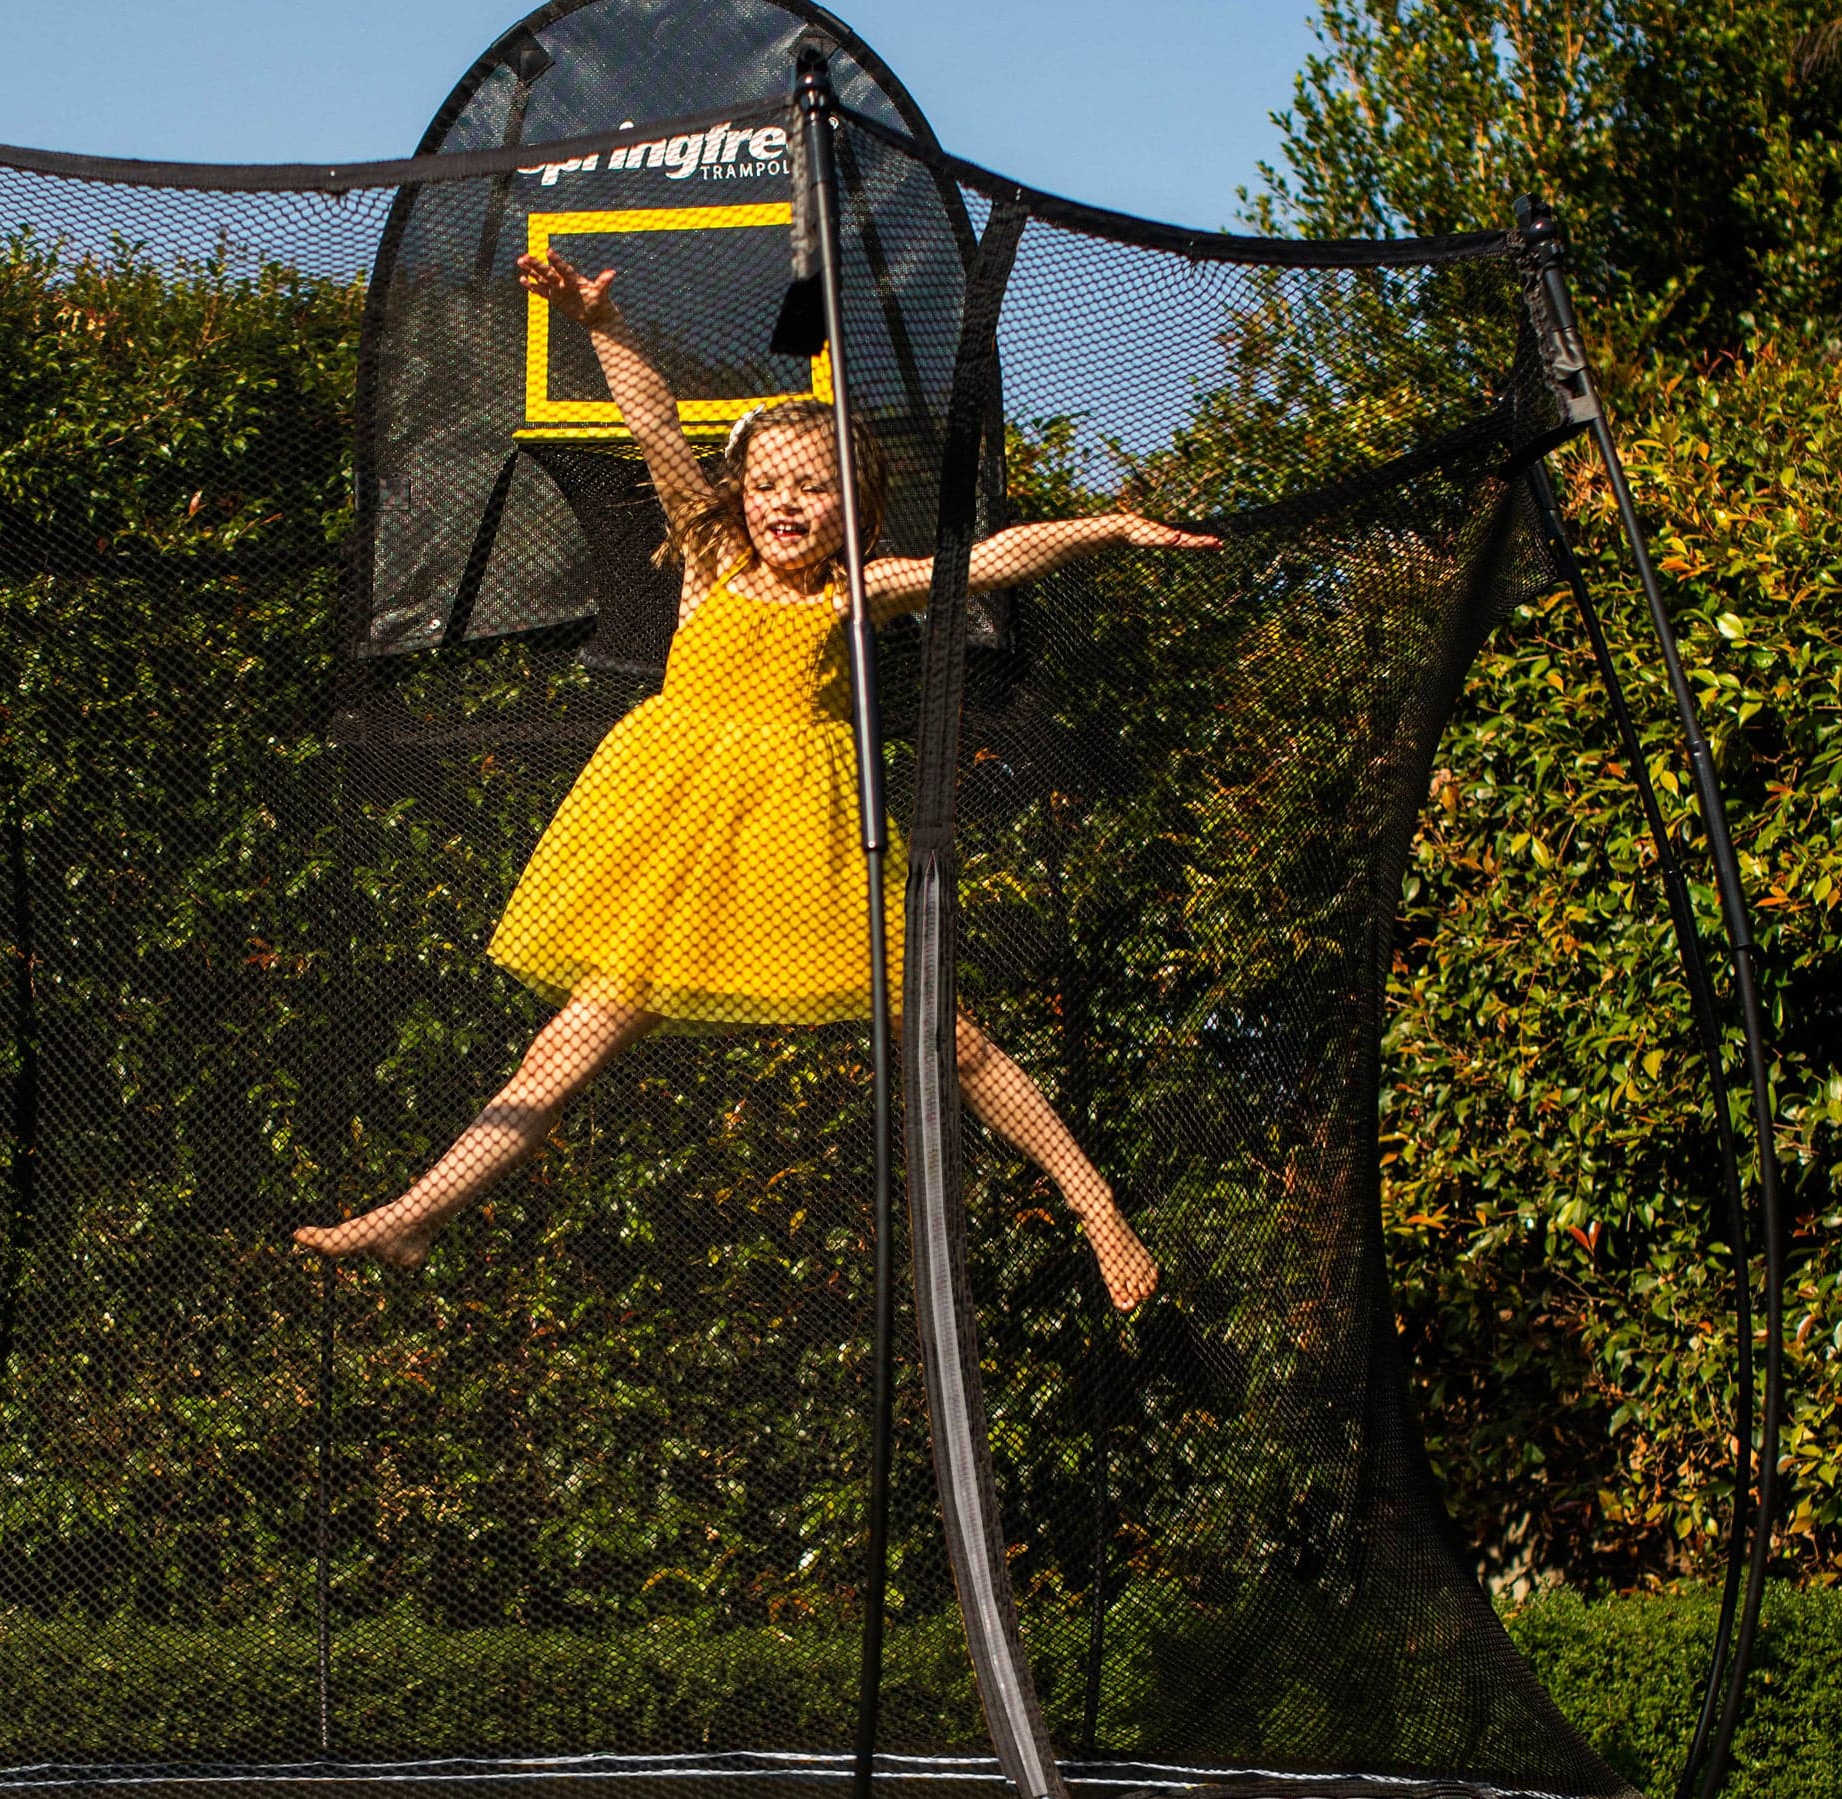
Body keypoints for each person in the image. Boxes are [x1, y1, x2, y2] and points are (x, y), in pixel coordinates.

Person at [300, 250, 1212, 1310]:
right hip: (676, 847)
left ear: (853, 503)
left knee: (949, 1036)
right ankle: (414, 1216)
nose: (787, 503)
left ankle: (1097, 1207)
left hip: (803, 850)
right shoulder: (713, 562)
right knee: (564, 1047)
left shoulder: (855, 592)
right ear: (741, 495)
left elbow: (992, 558)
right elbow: (656, 427)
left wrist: (1109, 527)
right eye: (769, 484)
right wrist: (603, 325)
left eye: (813, 486)